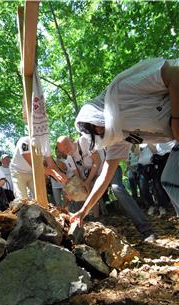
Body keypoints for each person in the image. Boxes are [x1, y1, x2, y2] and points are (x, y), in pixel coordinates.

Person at [71, 58, 179, 226]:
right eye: (95, 132)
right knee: (171, 181)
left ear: (98, 110)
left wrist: (175, 120)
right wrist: (83, 210)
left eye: (96, 126)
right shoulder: (118, 135)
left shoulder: (122, 90)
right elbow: (105, 177)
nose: (99, 131)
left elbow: (175, 74)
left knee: (172, 180)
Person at [57, 135, 105, 219]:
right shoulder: (69, 159)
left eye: (66, 147)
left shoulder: (83, 141)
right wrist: (70, 192)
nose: (66, 151)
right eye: (63, 151)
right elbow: (79, 178)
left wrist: (88, 181)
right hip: (92, 175)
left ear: (71, 141)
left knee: (115, 188)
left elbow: (97, 161)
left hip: (105, 169)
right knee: (87, 189)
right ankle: (95, 217)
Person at [10, 136, 67, 201]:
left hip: (33, 172)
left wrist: (60, 176)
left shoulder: (46, 144)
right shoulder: (24, 142)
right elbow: (34, 165)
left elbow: (51, 164)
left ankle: (40, 210)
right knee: (22, 199)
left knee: (40, 197)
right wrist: (53, 173)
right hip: (18, 172)